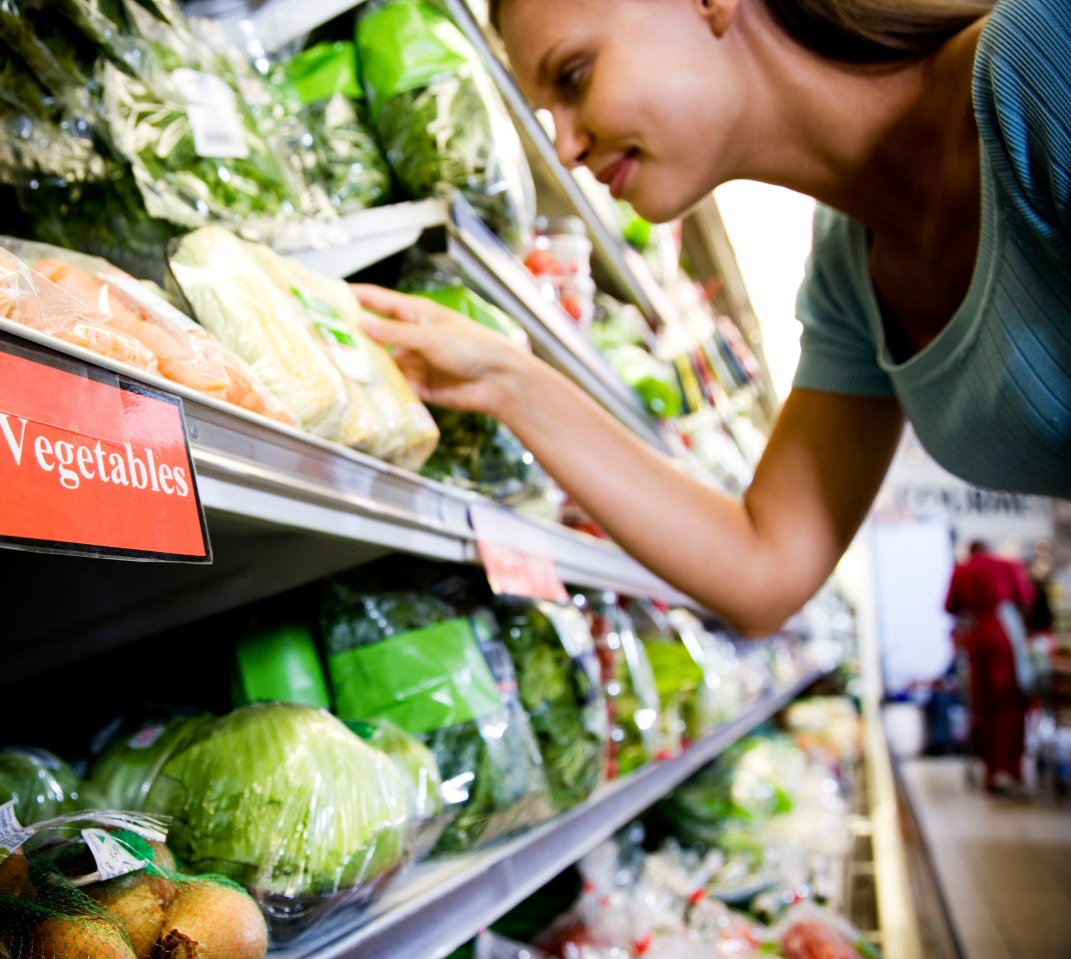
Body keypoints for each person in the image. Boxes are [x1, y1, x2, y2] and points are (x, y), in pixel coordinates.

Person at [352, 0, 1071, 640]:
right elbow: (766, 565)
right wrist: (506, 380)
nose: (566, 148)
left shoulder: (1042, 64)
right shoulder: (847, 274)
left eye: (573, 77)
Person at [944, 540, 1036, 796]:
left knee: (983, 706)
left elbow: (949, 606)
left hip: (976, 638)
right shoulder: (1007, 565)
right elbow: (1025, 598)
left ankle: (992, 771)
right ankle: (1010, 770)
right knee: (1010, 702)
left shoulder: (962, 569)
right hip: (1003, 634)